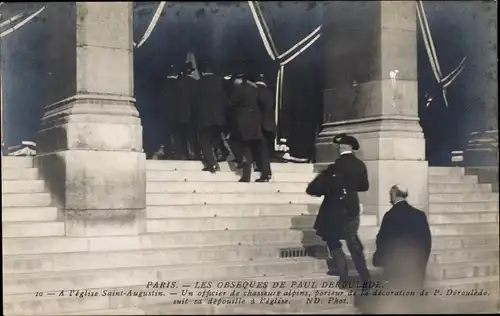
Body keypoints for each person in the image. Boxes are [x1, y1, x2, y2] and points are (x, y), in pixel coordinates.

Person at [306, 133, 371, 284]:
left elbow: (314, 189)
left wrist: (328, 190)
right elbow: (364, 186)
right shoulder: (360, 165)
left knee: (333, 240)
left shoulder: (335, 167)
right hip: (352, 207)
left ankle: (344, 276)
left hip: (334, 208)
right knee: (353, 242)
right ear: (351, 148)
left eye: (339, 146)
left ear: (342, 147)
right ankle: (365, 276)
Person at [373, 184, 432, 290]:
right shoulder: (419, 215)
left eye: (391, 194)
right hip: (417, 267)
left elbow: (383, 242)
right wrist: (422, 263)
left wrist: (380, 261)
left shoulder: (390, 215)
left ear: (395, 194)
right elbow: (427, 241)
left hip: (397, 268)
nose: (390, 198)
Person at [228, 73, 271, 182]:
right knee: (261, 149)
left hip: (243, 123)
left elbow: (231, 104)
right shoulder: (257, 90)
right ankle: (266, 173)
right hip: (257, 123)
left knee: (245, 148)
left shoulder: (239, 90)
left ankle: (246, 175)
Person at [195, 62, 228, 173]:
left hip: (205, 118)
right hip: (219, 117)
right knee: (216, 138)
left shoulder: (199, 83)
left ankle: (212, 164)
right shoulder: (220, 82)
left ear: (202, 72)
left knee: (204, 141)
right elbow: (225, 99)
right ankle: (223, 154)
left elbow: (196, 102)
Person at [176, 61, 200, 160]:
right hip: (192, 113)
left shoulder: (178, 82)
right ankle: (194, 153)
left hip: (180, 112)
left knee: (182, 135)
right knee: (192, 135)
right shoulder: (195, 82)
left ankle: (184, 153)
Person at [254, 74, 275, 181]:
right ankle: (263, 169)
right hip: (269, 125)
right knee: (264, 149)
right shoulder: (268, 92)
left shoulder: (257, 92)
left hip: (260, 125)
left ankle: (265, 173)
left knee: (261, 150)